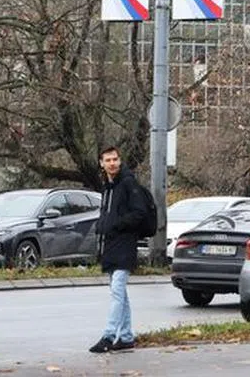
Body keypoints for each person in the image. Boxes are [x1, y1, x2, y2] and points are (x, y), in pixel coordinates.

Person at [89, 145, 146, 354]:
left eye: (115, 159)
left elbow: (139, 213)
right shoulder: (108, 186)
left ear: (119, 161)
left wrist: (117, 225)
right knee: (120, 293)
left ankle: (109, 335)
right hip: (111, 244)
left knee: (117, 292)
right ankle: (127, 336)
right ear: (101, 164)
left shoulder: (128, 183)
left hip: (124, 243)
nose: (112, 163)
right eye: (108, 160)